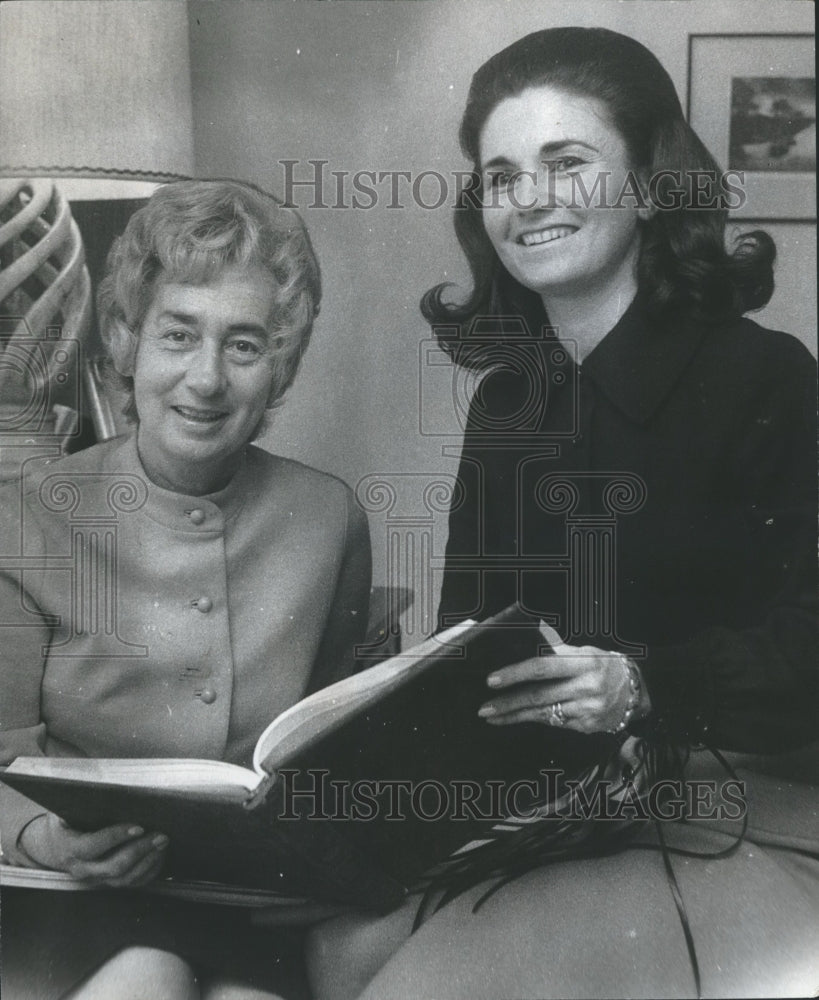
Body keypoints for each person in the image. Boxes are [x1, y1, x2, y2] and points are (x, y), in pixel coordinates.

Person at [305, 27, 818, 999]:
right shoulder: (509, 402)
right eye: (500, 175)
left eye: (566, 163)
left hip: (741, 808)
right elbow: (473, 650)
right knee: (332, 953)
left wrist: (645, 685)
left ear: (652, 182)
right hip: (561, 813)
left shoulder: (770, 379)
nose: (527, 198)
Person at [0, 179, 371, 999]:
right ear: (127, 340)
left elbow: (344, 749)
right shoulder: (23, 520)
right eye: (178, 335)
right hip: (67, 898)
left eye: (243, 345)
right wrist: (45, 840)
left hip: (247, 904)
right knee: (147, 981)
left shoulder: (327, 518)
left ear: (280, 368)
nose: (205, 377)